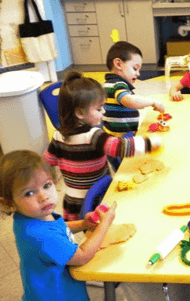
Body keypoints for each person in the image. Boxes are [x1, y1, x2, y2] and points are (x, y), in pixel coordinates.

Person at [0, 150, 117, 301]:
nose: (44, 196)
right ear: (9, 203)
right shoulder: (42, 237)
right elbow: (81, 256)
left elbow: (57, 226)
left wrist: (83, 223)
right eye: (29, 193)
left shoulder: (29, 216)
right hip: (59, 295)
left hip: (42, 290)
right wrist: (104, 224)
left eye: (47, 185)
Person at [44, 71, 162, 221]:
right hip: (94, 199)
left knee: (85, 233)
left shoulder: (57, 136)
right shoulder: (94, 136)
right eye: (99, 109)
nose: (104, 111)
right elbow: (120, 147)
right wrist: (150, 143)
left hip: (72, 201)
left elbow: (49, 161)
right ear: (80, 113)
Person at [103, 41, 165, 137]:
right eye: (135, 68)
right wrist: (152, 102)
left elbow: (128, 105)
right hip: (121, 140)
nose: (138, 74)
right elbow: (128, 100)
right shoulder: (117, 85)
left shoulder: (109, 83)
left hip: (115, 136)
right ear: (118, 64)